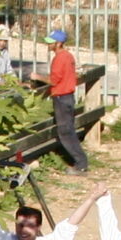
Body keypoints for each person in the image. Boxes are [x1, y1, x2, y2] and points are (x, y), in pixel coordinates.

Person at [46, 27, 88, 173]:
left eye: (51, 42)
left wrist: (36, 77)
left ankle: (80, 163)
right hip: (68, 97)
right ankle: (81, 161)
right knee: (69, 130)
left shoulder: (59, 58)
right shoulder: (68, 56)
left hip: (61, 98)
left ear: (58, 43)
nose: (48, 44)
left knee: (65, 132)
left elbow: (53, 80)